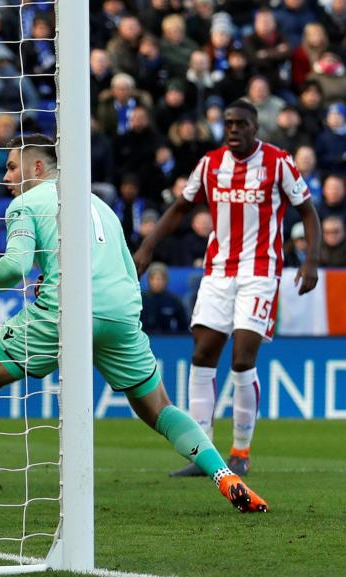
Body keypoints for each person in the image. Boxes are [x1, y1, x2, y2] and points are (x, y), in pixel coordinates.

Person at [0, 134, 267, 516]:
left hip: (66, 310)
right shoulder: (101, 205)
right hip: (120, 312)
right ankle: (225, 477)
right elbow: (123, 264)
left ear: (37, 167)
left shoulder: (25, 203)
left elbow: (14, 266)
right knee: (159, 407)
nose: (5, 176)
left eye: (12, 166)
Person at [134, 100, 321, 478]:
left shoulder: (278, 162)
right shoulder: (210, 163)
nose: (233, 129)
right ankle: (202, 453)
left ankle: (240, 452)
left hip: (261, 272)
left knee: (241, 359)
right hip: (218, 272)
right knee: (202, 354)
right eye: (229, 123)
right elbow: (180, 208)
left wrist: (311, 260)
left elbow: (308, 211)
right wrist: (147, 247)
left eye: (241, 124)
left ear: (255, 127)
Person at [141, 263, 189, 334]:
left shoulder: (174, 300)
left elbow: (184, 326)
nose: (157, 282)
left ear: (166, 280)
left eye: (161, 279)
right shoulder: (141, 299)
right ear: (149, 280)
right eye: (154, 278)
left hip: (167, 340)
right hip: (144, 338)